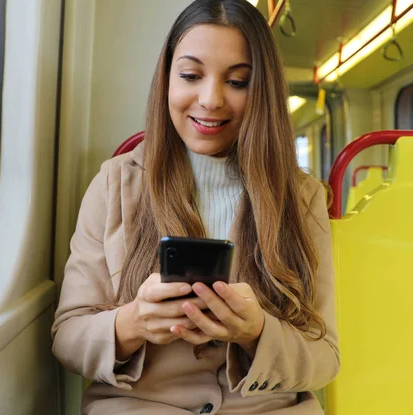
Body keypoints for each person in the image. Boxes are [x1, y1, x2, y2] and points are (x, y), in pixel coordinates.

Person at [51, 0, 339, 413]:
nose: (210, 100)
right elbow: (67, 337)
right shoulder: (114, 184)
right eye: (190, 75)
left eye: (238, 82)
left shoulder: (304, 197)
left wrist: (257, 332)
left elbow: (325, 357)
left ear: (263, 93)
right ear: (167, 80)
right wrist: (133, 322)